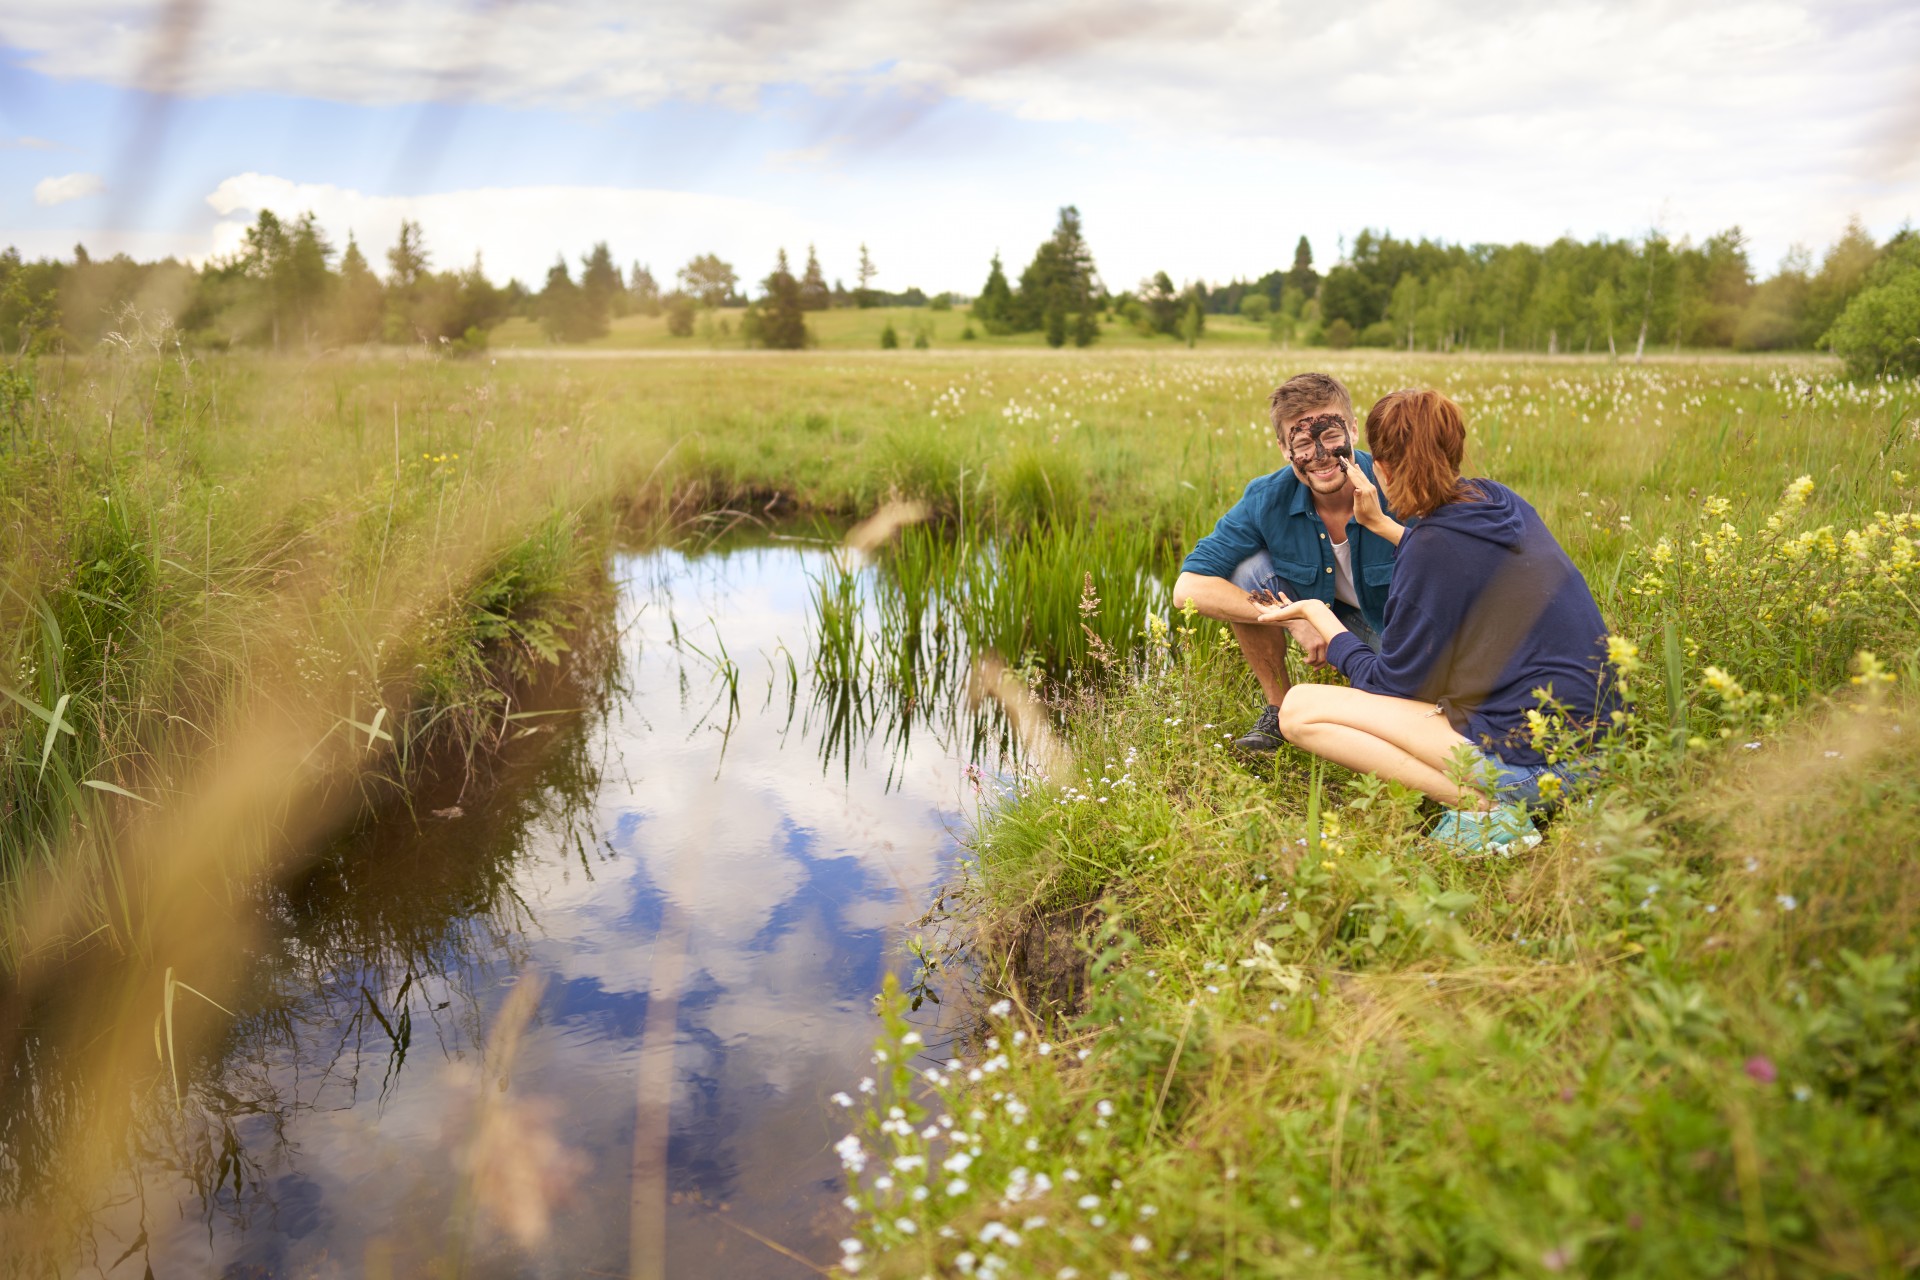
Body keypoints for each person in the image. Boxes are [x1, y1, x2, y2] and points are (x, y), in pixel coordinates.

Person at [1254, 387, 1620, 852]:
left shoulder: (1430, 551)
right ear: (1456, 450)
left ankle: (1490, 807)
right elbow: (1454, 557)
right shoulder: (1498, 502)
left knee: (1299, 710)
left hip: (1540, 770)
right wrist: (1381, 526)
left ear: (1379, 471)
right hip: (1604, 750)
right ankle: (1526, 798)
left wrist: (1316, 612)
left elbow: (1388, 686)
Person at [1172, 371, 1400, 753]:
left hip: (1395, 630)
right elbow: (1188, 588)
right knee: (1244, 573)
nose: (1320, 456)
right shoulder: (1267, 497)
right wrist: (1294, 617)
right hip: (1324, 609)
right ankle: (1279, 710)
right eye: (1302, 443)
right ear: (1283, 447)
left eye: (1330, 436)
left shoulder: (1396, 481)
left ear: (1354, 431)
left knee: (1401, 704)